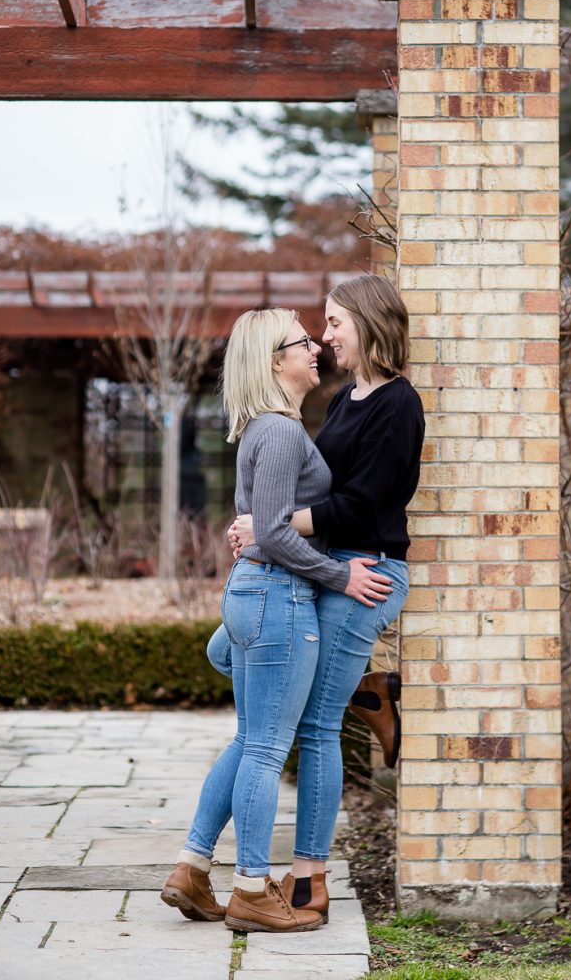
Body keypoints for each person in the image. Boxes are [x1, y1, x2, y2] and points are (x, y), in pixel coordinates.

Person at [160, 306, 394, 934]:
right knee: (266, 749)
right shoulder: (281, 432)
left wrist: (263, 543)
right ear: (274, 361)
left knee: (247, 742)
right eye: (301, 342)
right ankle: (252, 891)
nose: (315, 346)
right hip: (279, 599)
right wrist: (339, 575)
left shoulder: (269, 429)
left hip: (256, 596)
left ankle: (192, 865)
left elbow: (262, 530)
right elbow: (271, 533)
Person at [214, 274, 425, 923]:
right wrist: (266, 523)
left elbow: (357, 503)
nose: (325, 336)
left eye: (334, 323)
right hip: (323, 567)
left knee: (313, 726)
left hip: (366, 570)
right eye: (320, 328)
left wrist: (272, 526)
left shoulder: (397, 404)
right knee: (226, 654)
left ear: (368, 322)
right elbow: (300, 486)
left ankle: (309, 879)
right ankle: (370, 691)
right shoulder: (346, 399)